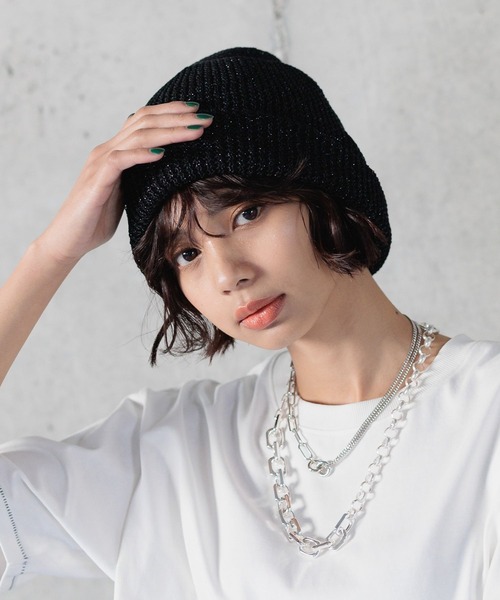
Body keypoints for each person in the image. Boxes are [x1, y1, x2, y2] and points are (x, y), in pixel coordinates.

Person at [0, 47, 499, 599]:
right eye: (187, 254)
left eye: (247, 213)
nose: (227, 274)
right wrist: (52, 253)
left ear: (324, 190)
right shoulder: (176, 449)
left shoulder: (484, 414)